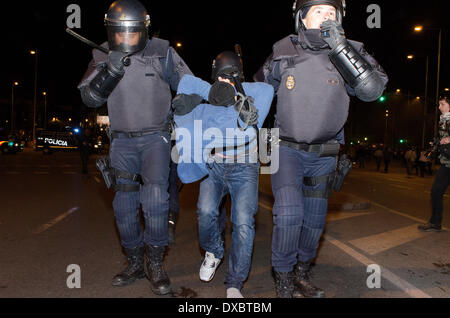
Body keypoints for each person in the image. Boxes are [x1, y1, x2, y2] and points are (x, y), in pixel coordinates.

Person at [254, 0, 388, 298]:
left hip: (326, 154)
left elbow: (373, 91)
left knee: (314, 222)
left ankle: (302, 273)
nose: (327, 16)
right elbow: (257, 91)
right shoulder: (283, 51)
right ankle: (284, 278)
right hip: (286, 150)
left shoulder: (352, 51)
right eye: (319, 11)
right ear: (302, 19)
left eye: (332, 12)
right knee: (288, 215)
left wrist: (342, 50)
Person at [77, 0, 192, 295]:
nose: (126, 40)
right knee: (124, 208)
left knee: (155, 202)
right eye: (120, 33)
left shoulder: (162, 52)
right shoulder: (102, 53)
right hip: (122, 141)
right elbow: (89, 97)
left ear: (144, 29)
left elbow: (190, 85)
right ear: (111, 31)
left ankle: (155, 264)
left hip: (156, 138)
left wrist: (183, 102)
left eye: (132, 33)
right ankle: (134, 263)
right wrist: (109, 73)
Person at [172, 51, 274, 298]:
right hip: (214, 166)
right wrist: (212, 93)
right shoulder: (206, 105)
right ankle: (214, 251)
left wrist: (236, 92)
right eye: (221, 78)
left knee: (242, 223)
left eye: (232, 77)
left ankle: (235, 283)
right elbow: (184, 85)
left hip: (245, 167)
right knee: (206, 212)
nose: (226, 83)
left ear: (239, 77)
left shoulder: (254, 97)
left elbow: (268, 90)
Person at [418, 93, 450, 232]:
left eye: (442, 104)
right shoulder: (442, 120)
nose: (439, 107)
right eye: (439, 104)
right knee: (436, 191)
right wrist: (434, 147)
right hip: (447, 163)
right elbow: (442, 140)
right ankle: (435, 222)